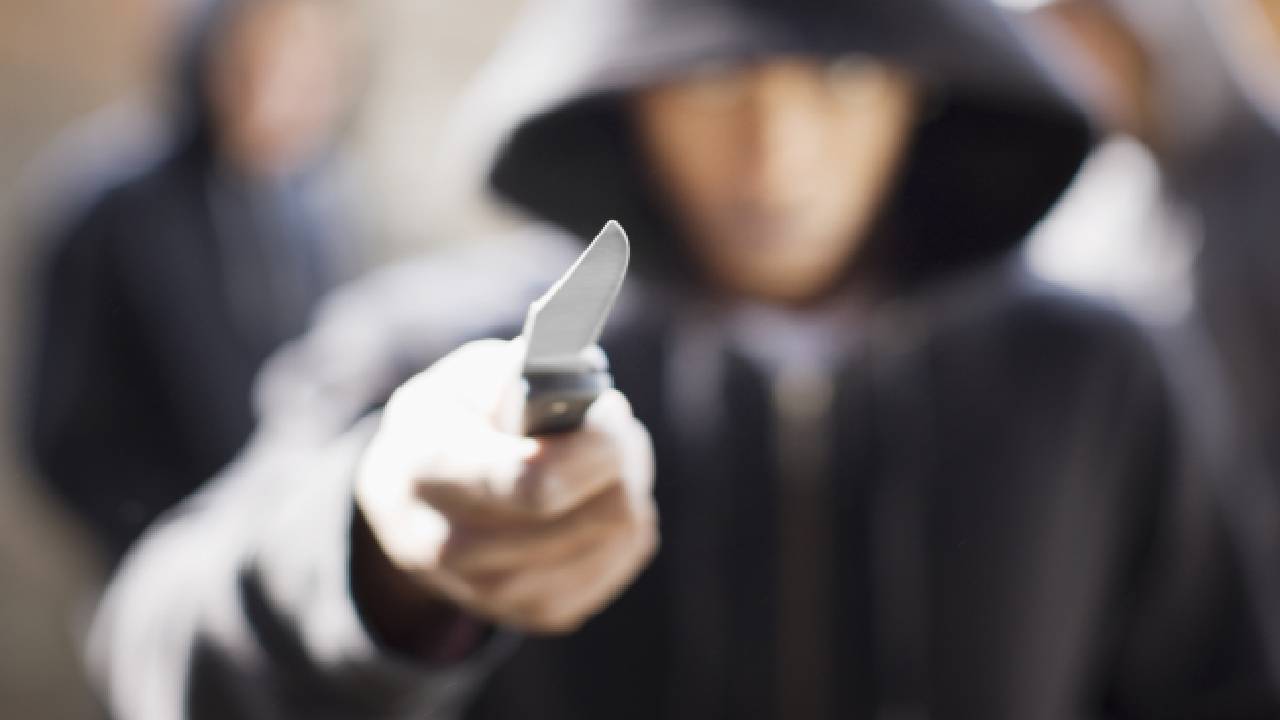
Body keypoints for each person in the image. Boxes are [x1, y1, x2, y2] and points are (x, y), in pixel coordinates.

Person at [88, 0, 1279, 718]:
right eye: (714, 78)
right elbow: (154, 644)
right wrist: (376, 555)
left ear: (923, 84)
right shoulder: (439, 353)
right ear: (627, 83)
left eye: (840, 71)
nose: (775, 146)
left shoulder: (1093, 375)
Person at [20, 0, 355, 561]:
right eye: (259, 63)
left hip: (279, 545)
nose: (288, 89)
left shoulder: (316, 201)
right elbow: (59, 426)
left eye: (309, 66)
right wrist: (154, 536)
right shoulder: (112, 205)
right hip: (157, 556)